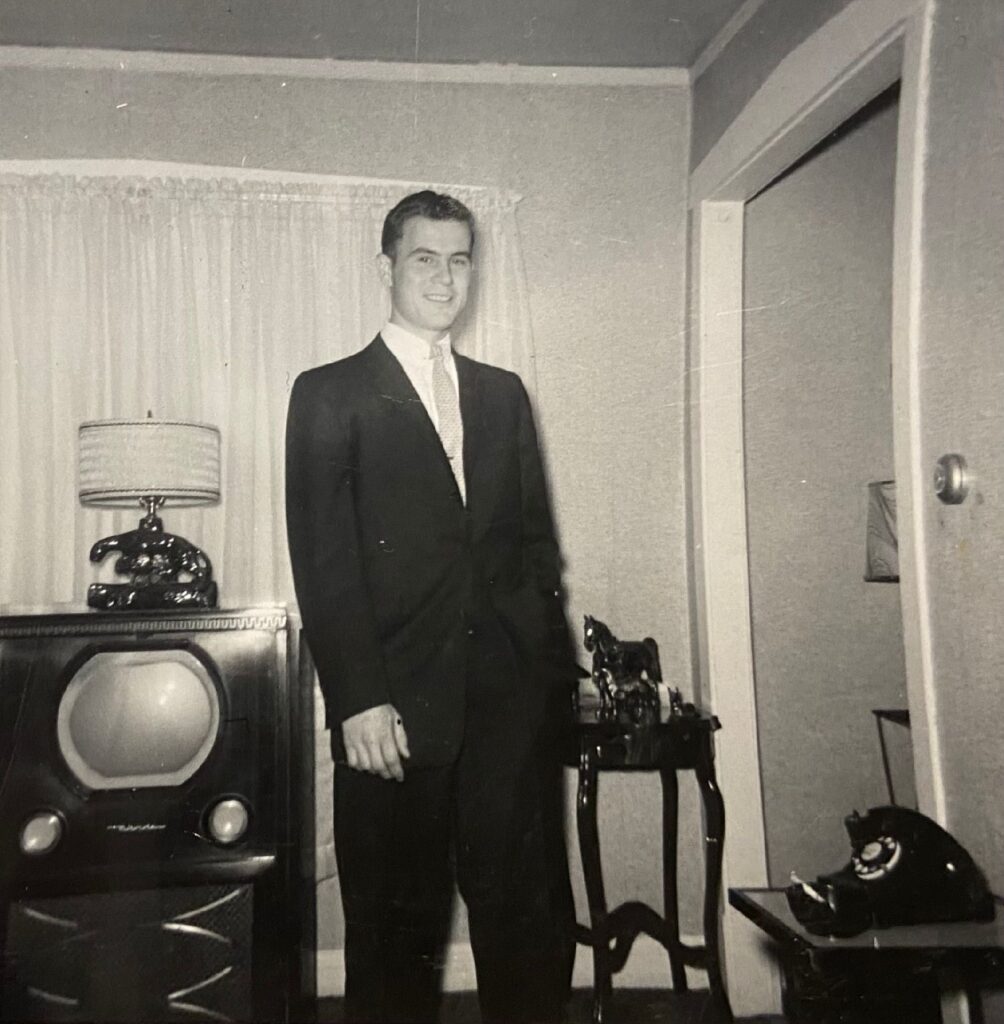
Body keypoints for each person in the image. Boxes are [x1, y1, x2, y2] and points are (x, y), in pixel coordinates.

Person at [285, 190, 578, 1024]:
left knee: (527, 928)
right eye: (424, 258)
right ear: (387, 269)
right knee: (394, 942)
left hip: (506, 713)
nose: (445, 277)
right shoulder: (329, 394)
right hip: (393, 716)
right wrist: (358, 699)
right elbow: (324, 562)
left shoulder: (503, 394)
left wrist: (546, 686)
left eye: (459, 260)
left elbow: (536, 550)